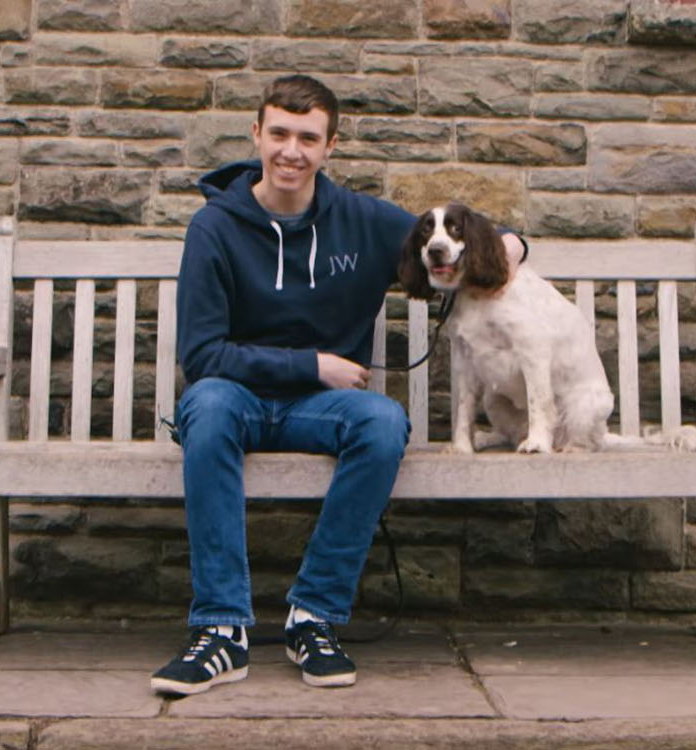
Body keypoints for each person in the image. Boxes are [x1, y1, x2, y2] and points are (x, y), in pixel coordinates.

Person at [149, 75, 525, 696]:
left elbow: (448, 234)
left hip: (321, 411)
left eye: (307, 138)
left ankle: (314, 615)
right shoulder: (214, 228)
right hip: (236, 398)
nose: (291, 151)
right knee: (206, 406)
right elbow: (202, 354)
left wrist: (509, 243)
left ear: (329, 147)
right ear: (256, 135)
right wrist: (311, 365)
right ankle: (220, 631)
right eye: (279, 134)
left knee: (382, 423)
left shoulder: (362, 221)